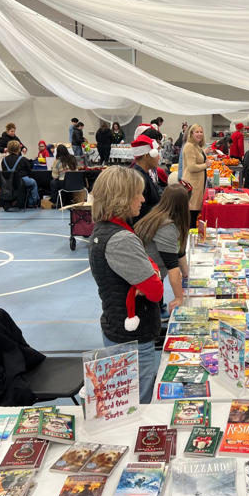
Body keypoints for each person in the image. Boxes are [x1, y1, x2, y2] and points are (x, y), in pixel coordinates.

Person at [88, 166, 163, 403]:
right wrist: (152, 275)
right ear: (121, 198)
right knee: (137, 404)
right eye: (137, 194)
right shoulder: (122, 239)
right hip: (133, 340)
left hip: (116, 327)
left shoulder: (104, 230)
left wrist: (150, 273)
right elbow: (155, 291)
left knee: (126, 399)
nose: (142, 199)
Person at [134, 185, 190, 314]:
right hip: (145, 277)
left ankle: (158, 308)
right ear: (182, 205)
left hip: (153, 273)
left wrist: (186, 274)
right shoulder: (167, 226)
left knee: (155, 303)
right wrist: (179, 297)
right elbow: (172, 266)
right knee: (149, 311)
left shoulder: (160, 214)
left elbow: (179, 250)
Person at [129, 135, 162, 223]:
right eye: (156, 154)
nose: (159, 157)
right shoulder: (139, 178)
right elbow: (142, 211)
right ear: (147, 156)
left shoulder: (144, 174)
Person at [181, 123, 208, 227]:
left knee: (194, 214)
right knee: (192, 215)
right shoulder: (189, 146)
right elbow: (192, 167)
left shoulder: (196, 146)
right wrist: (205, 165)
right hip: (192, 184)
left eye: (201, 132)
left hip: (197, 184)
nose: (200, 134)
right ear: (191, 133)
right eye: (197, 132)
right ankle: (188, 239)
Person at [2, 140, 39, 207]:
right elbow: (29, 171)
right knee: (33, 182)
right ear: (19, 149)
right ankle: (32, 203)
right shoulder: (22, 159)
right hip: (21, 181)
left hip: (8, 182)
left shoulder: (4, 160)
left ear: (8, 149)